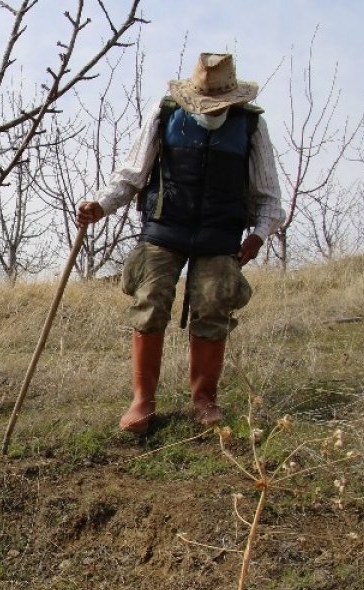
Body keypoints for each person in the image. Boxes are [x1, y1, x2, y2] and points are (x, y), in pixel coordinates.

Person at [76, 53, 286, 434]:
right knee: (150, 298)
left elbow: (269, 195)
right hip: (165, 224)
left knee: (214, 305)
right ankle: (142, 400)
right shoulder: (165, 113)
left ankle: (204, 399)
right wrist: (100, 206)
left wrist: (258, 235)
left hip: (220, 233)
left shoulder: (251, 125)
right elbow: (131, 175)